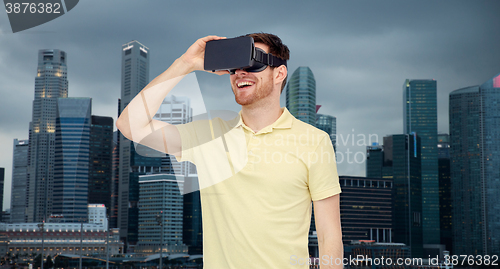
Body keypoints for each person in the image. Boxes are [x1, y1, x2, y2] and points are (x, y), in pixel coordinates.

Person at [116, 33, 342, 268]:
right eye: (234, 68)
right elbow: (130, 125)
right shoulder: (210, 135)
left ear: (279, 73)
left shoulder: (314, 141)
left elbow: (329, 237)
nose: (240, 73)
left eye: (253, 64)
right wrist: (186, 64)